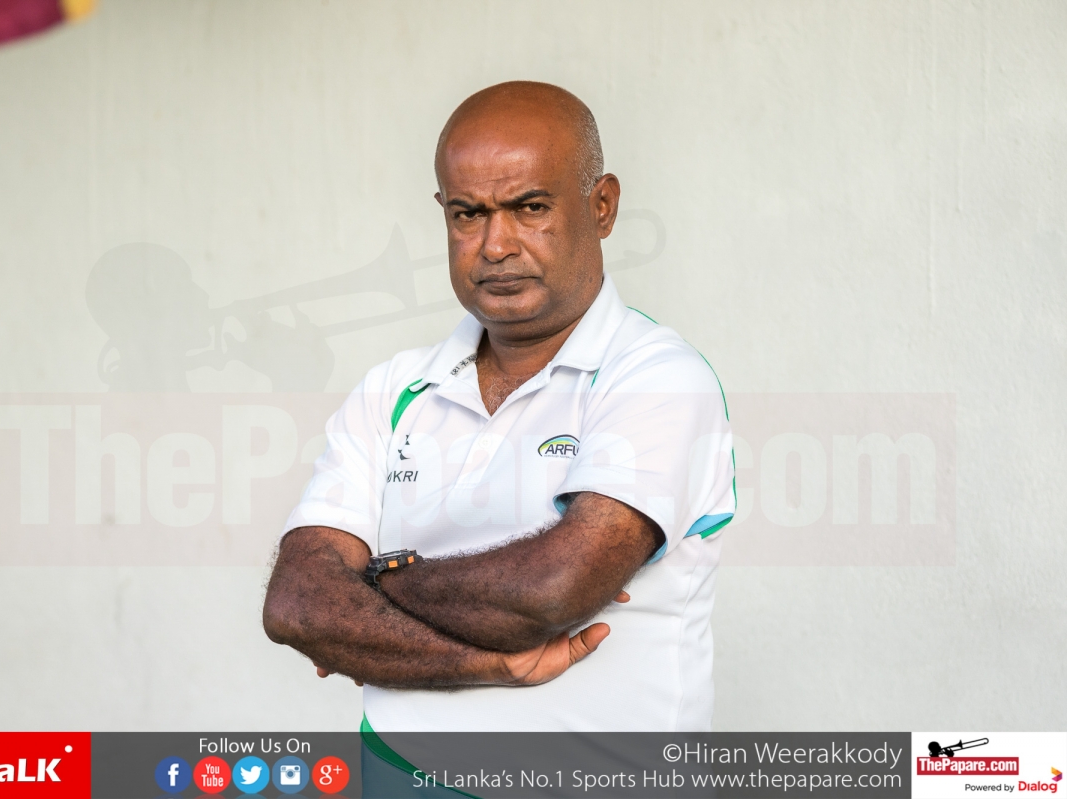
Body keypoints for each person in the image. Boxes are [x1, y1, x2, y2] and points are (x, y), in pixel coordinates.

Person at [263, 82, 735, 749]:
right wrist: (487, 663)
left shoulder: (657, 377)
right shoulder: (392, 390)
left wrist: (367, 586)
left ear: (602, 206)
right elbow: (296, 603)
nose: (495, 245)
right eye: (468, 214)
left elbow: (551, 590)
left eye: (530, 207)